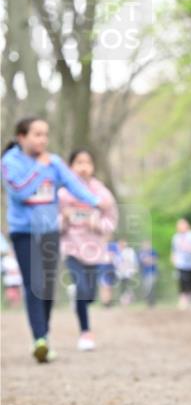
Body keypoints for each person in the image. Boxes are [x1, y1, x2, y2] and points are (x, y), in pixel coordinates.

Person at [1, 116, 103, 362]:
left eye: (45, 135)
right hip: (24, 231)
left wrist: (97, 203)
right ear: (21, 137)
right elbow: (20, 192)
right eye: (37, 134)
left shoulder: (55, 162)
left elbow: (73, 185)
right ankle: (40, 339)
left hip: (49, 230)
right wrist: (40, 168)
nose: (43, 140)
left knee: (46, 286)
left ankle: (43, 335)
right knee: (33, 284)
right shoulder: (9, 162)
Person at [59, 149, 118, 350]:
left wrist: (98, 224)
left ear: (93, 167)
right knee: (83, 290)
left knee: (90, 295)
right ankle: (86, 332)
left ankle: (78, 295)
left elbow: (111, 221)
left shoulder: (101, 193)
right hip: (71, 248)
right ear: (70, 167)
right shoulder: (63, 194)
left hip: (95, 251)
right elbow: (50, 223)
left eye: (88, 163)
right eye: (78, 163)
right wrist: (64, 220)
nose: (84, 167)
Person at [170, 218, 191, 309]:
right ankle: (183, 299)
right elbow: (174, 250)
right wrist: (173, 258)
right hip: (180, 263)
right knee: (182, 280)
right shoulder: (176, 237)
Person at [138, 240, 160, 306]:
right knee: (146, 287)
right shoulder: (141, 252)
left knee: (151, 286)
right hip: (145, 273)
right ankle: (148, 301)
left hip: (152, 272)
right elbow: (141, 261)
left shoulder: (153, 251)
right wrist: (149, 260)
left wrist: (148, 260)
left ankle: (152, 302)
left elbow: (154, 261)